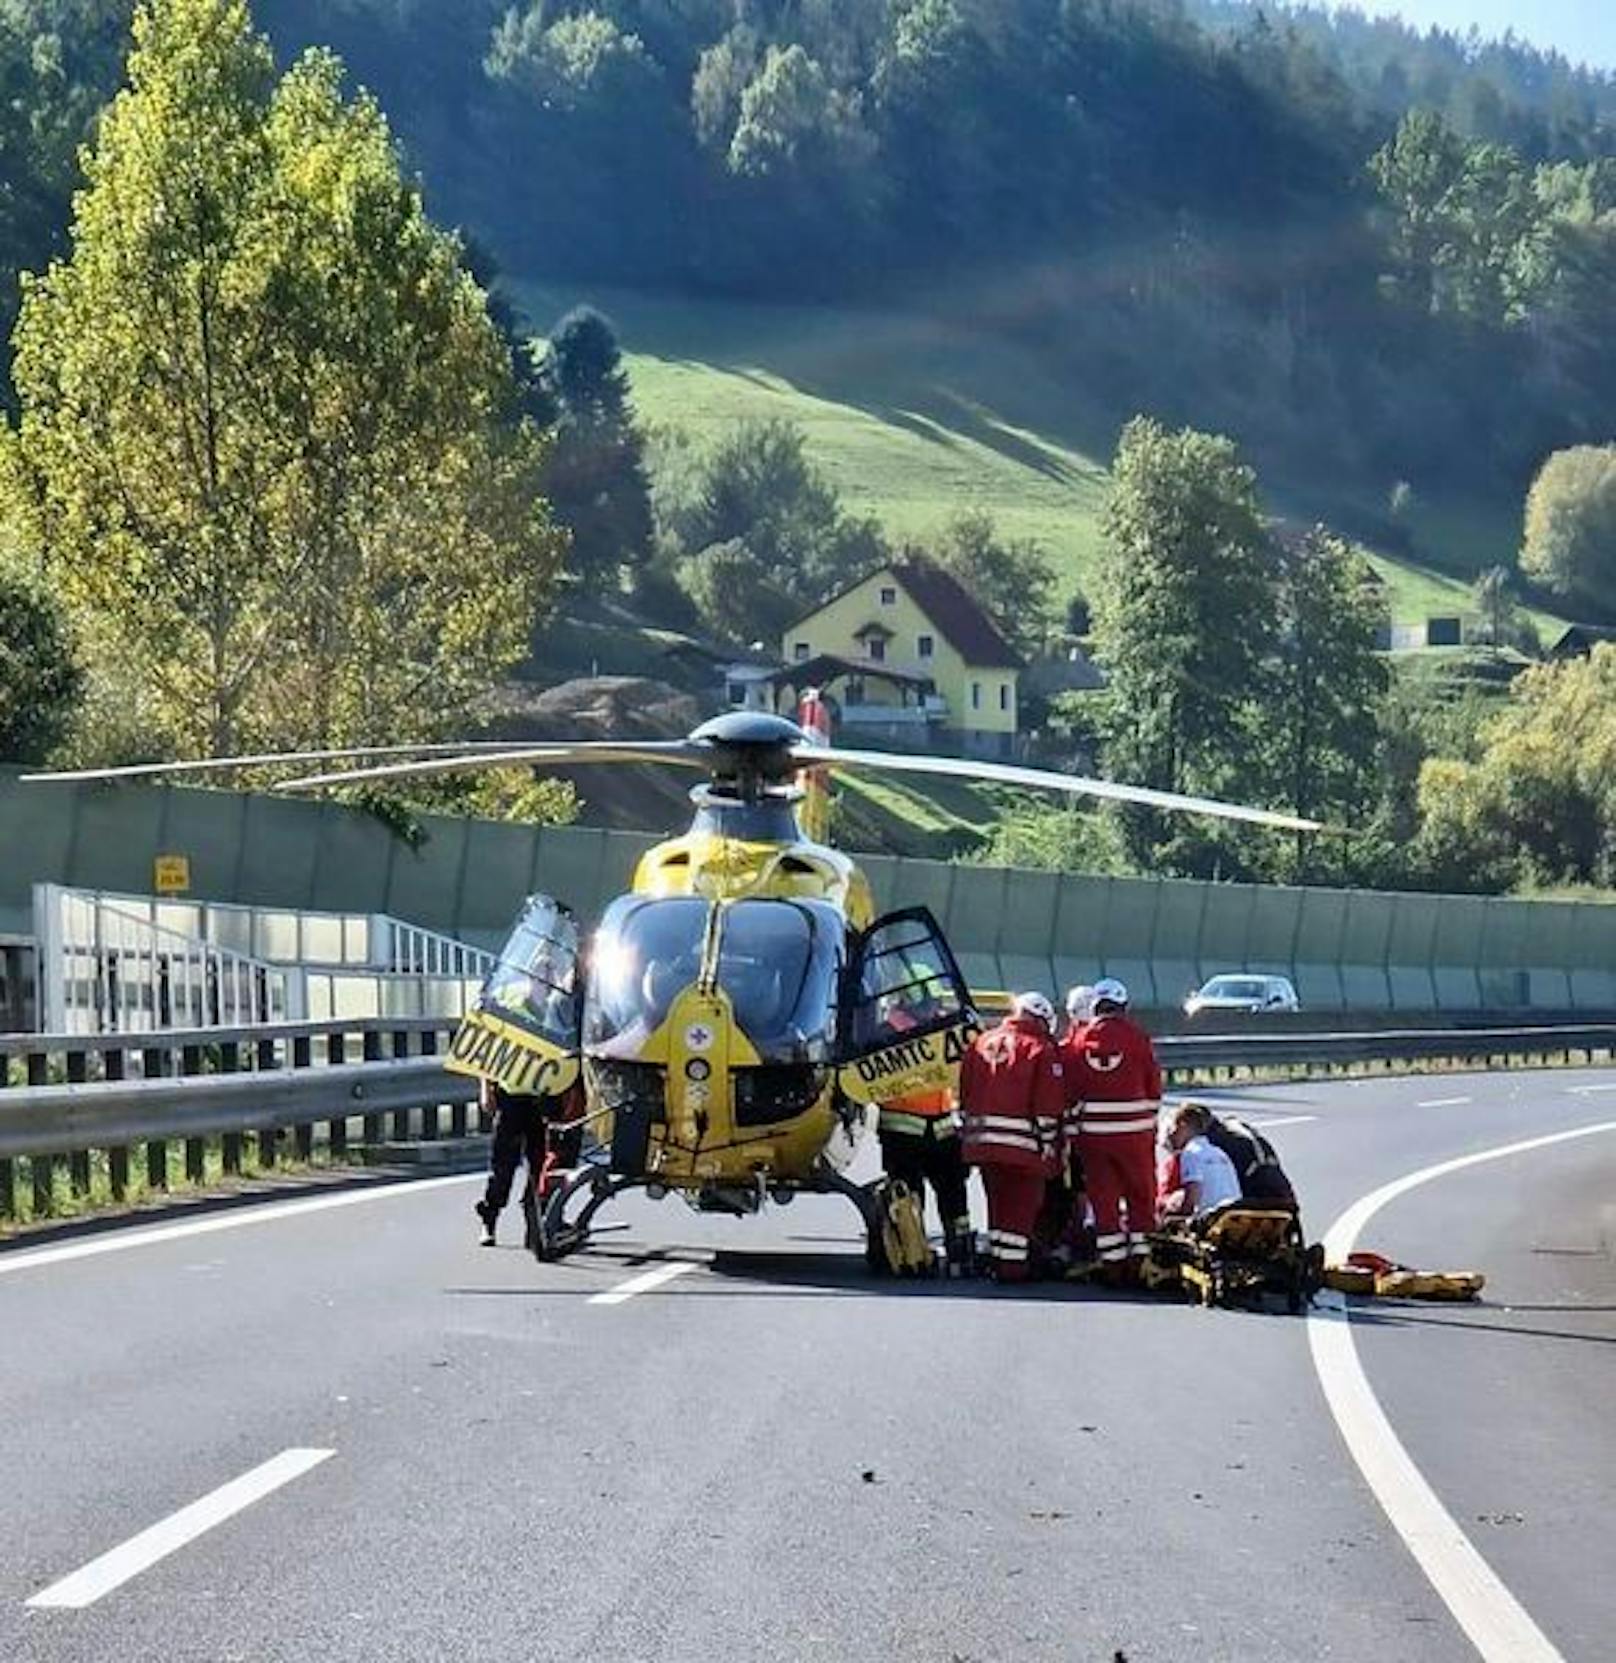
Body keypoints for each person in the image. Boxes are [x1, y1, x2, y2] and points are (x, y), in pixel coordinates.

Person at [958, 992, 1067, 1282]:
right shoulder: (1040, 1049)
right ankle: (1014, 1268)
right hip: (1022, 1148)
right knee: (1021, 1208)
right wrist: (1048, 1146)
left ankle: (998, 1259)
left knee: (997, 1204)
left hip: (982, 1144)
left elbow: (964, 1092)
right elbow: (1048, 1106)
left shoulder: (981, 1042)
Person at [1066, 977, 1162, 1281]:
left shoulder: (1079, 1041)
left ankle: (1113, 1266)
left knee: (1103, 1200)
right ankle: (1143, 1263)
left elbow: (1069, 1091)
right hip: (1135, 1136)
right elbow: (1153, 1086)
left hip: (1093, 1138)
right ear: (1124, 1006)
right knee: (1141, 1197)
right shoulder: (1139, 1037)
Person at [877, 982, 973, 1272]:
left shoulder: (889, 1031)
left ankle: (934, 1250)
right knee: (919, 1194)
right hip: (909, 1129)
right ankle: (921, 1251)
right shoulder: (892, 1033)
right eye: (932, 1002)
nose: (937, 1009)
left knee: (948, 1191)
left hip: (929, 1127)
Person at [474, 1077, 584, 1246]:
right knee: (502, 1167)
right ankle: (489, 1220)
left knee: (541, 1168)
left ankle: (536, 1226)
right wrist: (485, 1089)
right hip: (510, 1096)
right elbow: (489, 1056)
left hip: (545, 1096)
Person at [1158, 1102, 1243, 1220]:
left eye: (1173, 1129)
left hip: (1210, 1219)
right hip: (1233, 1216)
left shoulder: (1190, 1153)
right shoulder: (1219, 1152)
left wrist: (1169, 1216)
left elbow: (1191, 1201)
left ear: (1183, 1125)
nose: (1171, 1135)